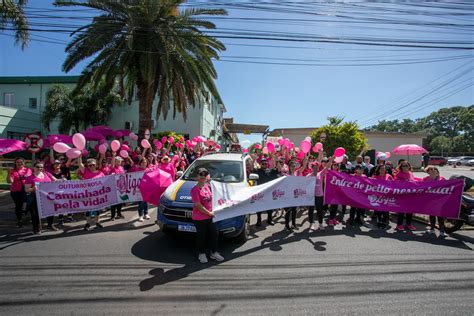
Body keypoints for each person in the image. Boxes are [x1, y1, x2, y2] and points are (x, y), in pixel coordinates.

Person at [191, 168, 224, 264]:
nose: (203, 177)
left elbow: (216, 196)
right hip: (200, 218)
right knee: (202, 236)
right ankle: (201, 254)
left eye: (205, 175)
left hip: (210, 217)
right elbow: (198, 205)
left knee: (214, 234)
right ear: (196, 177)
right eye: (200, 174)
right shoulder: (194, 189)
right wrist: (209, 213)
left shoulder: (208, 186)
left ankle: (213, 252)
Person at [24, 161, 57, 234]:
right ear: (34, 167)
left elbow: (56, 181)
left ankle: (50, 225)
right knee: (35, 214)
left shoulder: (47, 174)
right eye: (38, 167)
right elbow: (26, 190)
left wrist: (62, 181)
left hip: (47, 197)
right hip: (35, 198)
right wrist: (33, 189)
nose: (40, 168)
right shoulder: (30, 178)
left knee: (50, 211)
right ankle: (36, 228)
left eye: (41, 167)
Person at [77, 157, 105, 230]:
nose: (92, 166)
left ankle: (97, 222)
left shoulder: (100, 173)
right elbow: (80, 164)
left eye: (93, 165)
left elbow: (105, 182)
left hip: (98, 194)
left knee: (97, 209)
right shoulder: (85, 171)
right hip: (88, 194)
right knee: (88, 209)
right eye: (90, 165)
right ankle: (88, 223)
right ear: (87, 166)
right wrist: (79, 155)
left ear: (96, 165)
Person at [308, 156, 333, 231]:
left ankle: (320, 224)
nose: (315, 168)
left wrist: (331, 160)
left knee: (319, 210)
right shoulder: (308, 176)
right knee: (311, 210)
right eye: (314, 167)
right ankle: (311, 223)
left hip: (319, 195)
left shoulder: (320, 174)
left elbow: (327, 167)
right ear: (311, 168)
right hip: (311, 196)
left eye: (316, 167)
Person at [284, 157, 308, 232]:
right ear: (289, 167)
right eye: (292, 166)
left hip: (295, 195)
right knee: (288, 211)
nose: (293, 167)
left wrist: (305, 158)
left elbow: (303, 167)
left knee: (294, 211)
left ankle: (293, 224)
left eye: (294, 166)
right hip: (288, 196)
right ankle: (287, 225)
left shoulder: (297, 172)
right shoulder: (286, 175)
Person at [423, 166, 448, 237]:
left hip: (440, 201)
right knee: (432, 215)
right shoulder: (425, 179)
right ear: (428, 172)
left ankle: (442, 231)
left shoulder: (442, 179)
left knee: (440, 216)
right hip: (430, 200)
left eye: (434, 169)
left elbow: (450, 187)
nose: (433, 170)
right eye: (431, 169)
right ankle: (432, 229)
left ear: (437, 172)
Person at [7, 157, 32, 227]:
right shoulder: (13, 171)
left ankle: (26, 214)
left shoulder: (28, 170)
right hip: (16, 191)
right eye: (18, 162)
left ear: (24, 163)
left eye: (21, 162)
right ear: (15, 163)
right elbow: (10, 181)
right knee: (19, 206)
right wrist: (9, 173)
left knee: (30, 204)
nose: (19, 163)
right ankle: (19, 221)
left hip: (27, 190)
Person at [254, 158, 279, 226]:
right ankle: (259, 221)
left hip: (269, 192)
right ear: (260, 164)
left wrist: (274, 159)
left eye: (265, 163)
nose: (264, 164)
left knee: (269, 207)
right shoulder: (257, 171)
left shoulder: (270, 170)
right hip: (260, 192)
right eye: (263, 163)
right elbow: (251, 169)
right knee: (259, 207)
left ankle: (269, 220)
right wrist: (253, 159)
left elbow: (278, 170)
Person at [394, 161, 417, 231]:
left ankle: (408, 224)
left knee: (410, 210)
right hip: (402, 195)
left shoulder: (410, 173)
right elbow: (395, 183)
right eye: (403, 166)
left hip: (410, 195)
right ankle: (399, 225)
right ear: (401, 167)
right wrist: (404, 183)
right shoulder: (399, 174)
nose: (405, 167)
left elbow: (414, 181)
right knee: (401, 210)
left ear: (409, 166)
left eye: (407, 165)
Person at [129, 157, 152, 222]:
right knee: (141, 202)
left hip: (147, 188)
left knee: (146, 201)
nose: (144, 163)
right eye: (143, 162)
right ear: (140, 163)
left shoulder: (148, 169)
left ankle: (146, 213)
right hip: (139, 188)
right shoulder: (137, 170)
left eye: (145, 162)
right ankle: (140, 215)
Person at [371, 164, 394, 229]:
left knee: (385, 210)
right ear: (378, 170)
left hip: (387, 196)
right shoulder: (375, 177)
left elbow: (393, 184)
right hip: (378, 196)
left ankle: (384, 221)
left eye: (384, 169)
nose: (382, 170)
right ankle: (379, 221)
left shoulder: (389, 176)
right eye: (381, 169)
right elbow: (371, 186)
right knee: (379, 209)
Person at [109, 155, 125, 220]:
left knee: (120, 201)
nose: (119, 163)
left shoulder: (121, 168)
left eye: (120, 161)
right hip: (113, 187)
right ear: (115, 162)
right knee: (113, 202)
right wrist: (113, 155)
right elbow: (112, 164)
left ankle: (119, 213)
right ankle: (112, 215)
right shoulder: (112, 167)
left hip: (120, 187)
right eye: (117, 161)